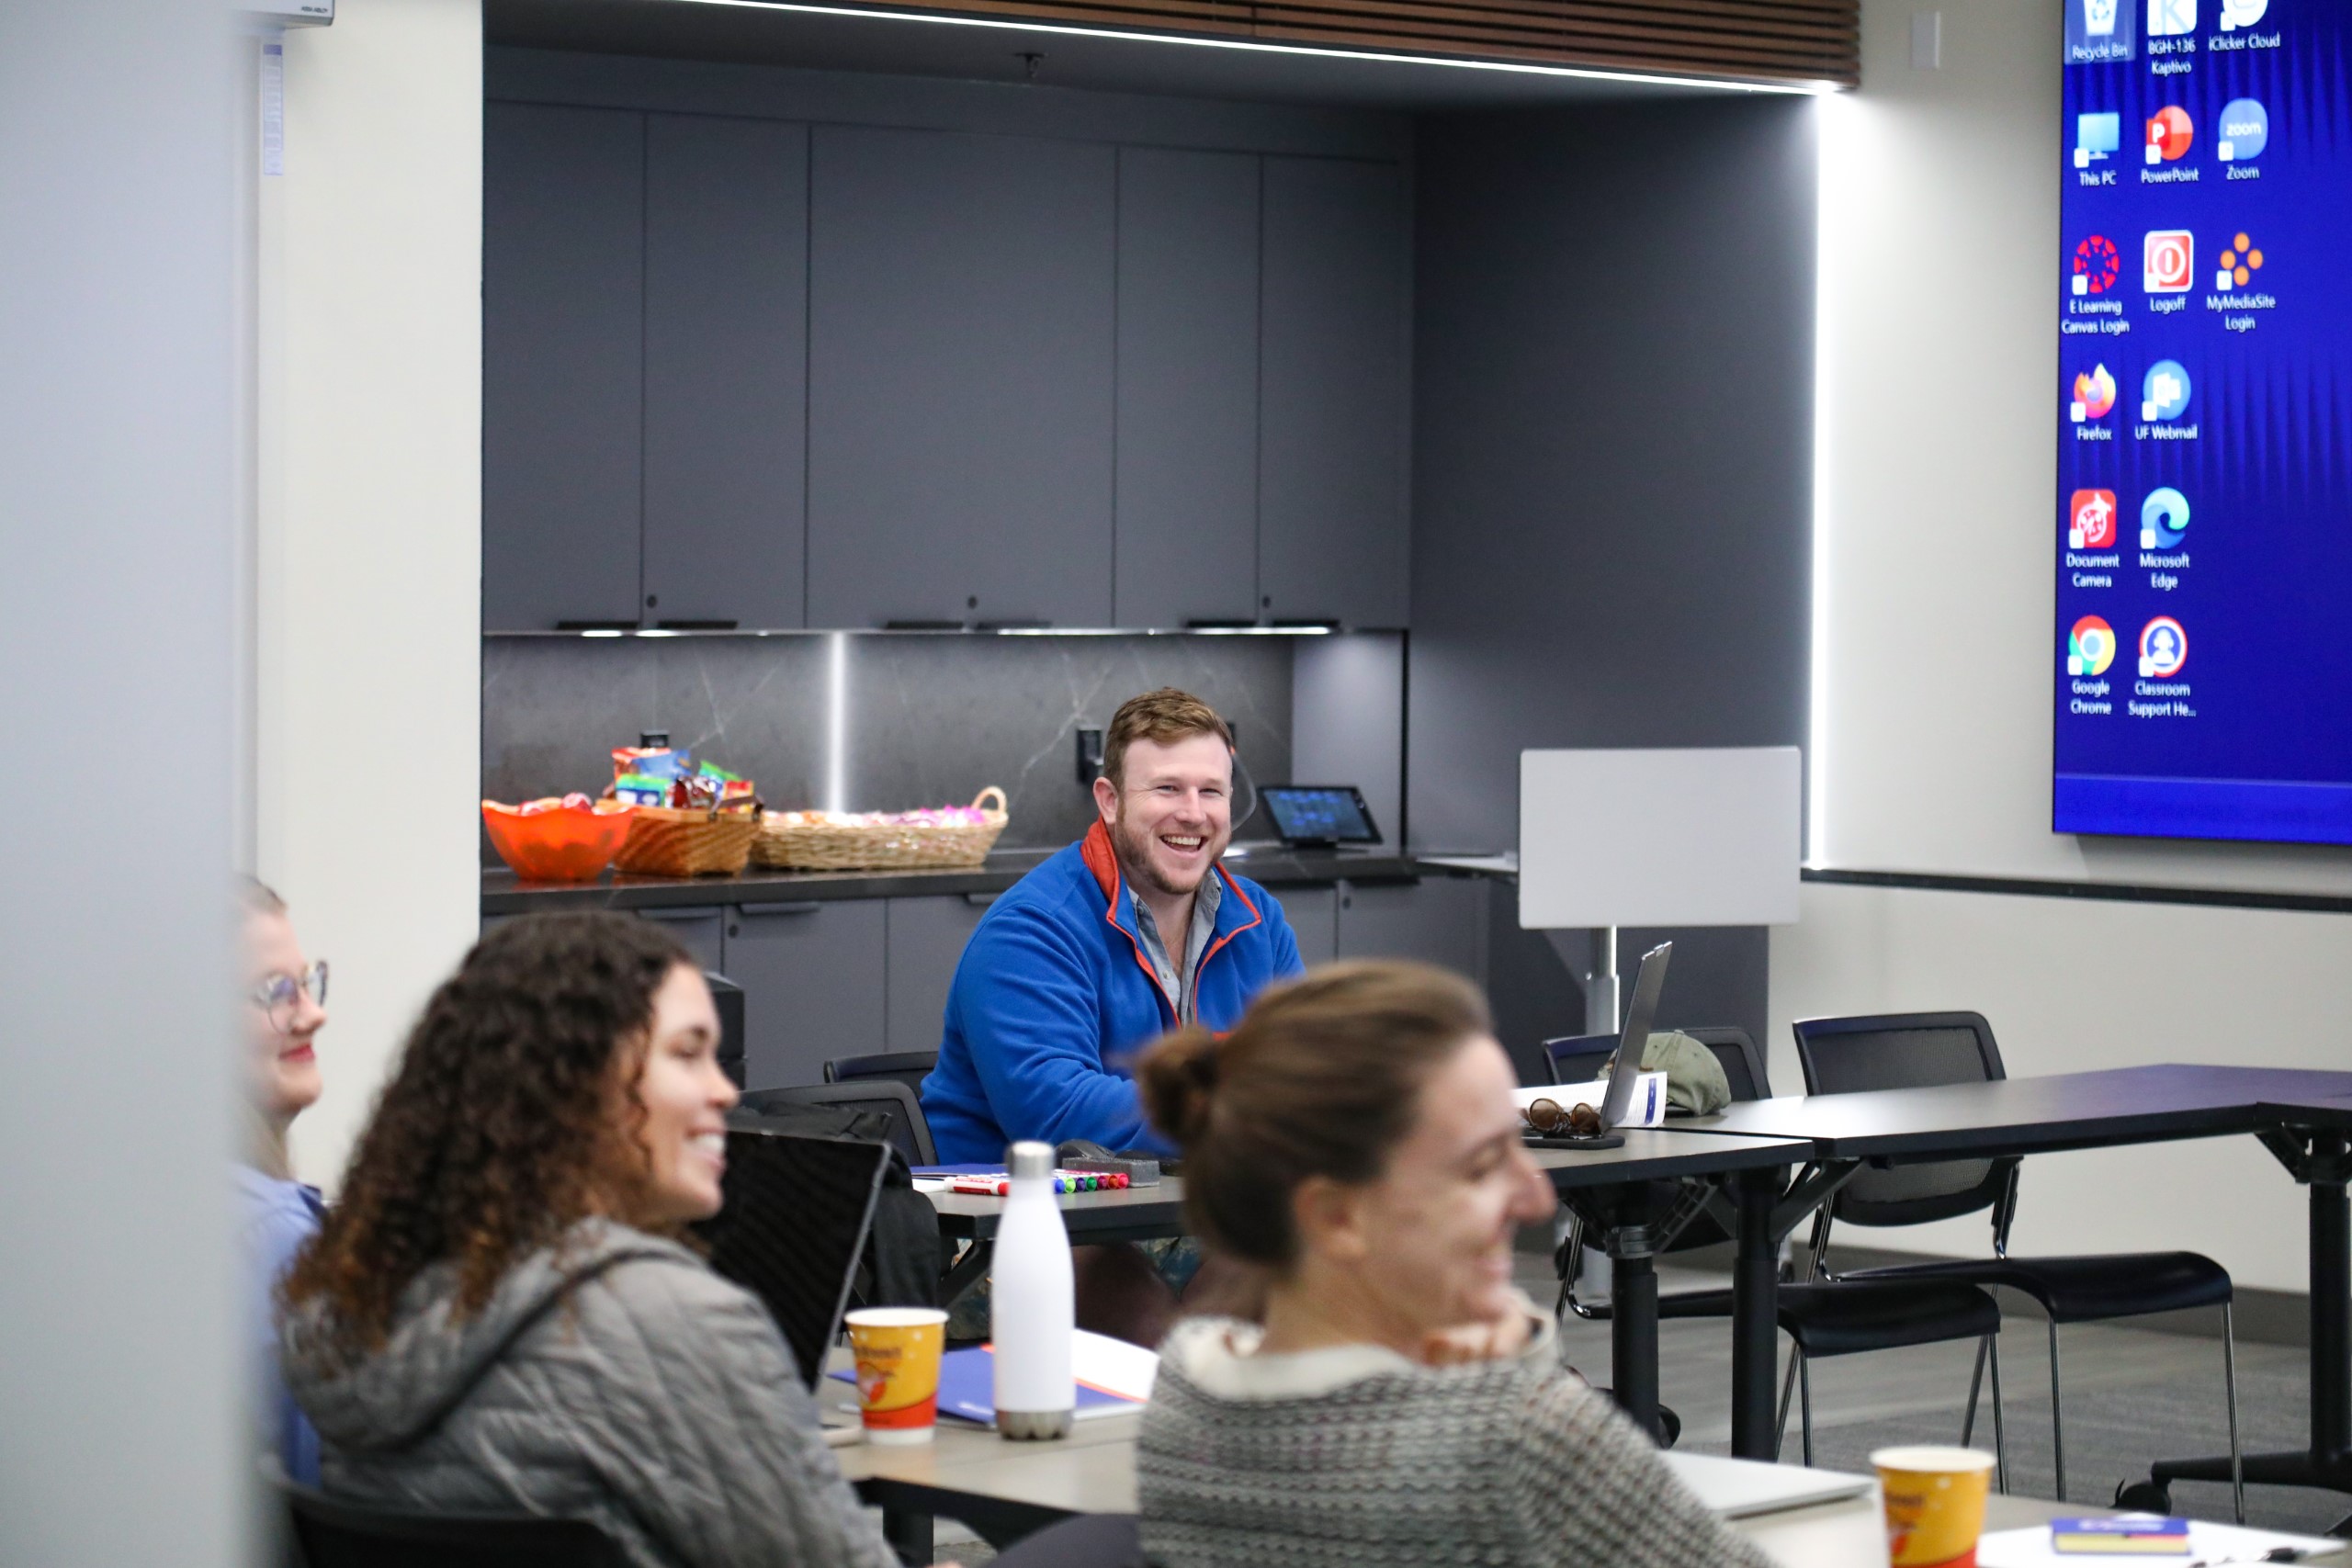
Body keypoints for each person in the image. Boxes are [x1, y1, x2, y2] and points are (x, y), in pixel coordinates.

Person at [279, 912, 910, 1568]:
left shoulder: (354, 1308)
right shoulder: (676, 1321)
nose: (724, 1091)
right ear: (575, 1085)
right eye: (687, 1054)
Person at [1132, 961, 1780, 1568]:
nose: (1536, 1197)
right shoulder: (1520, 1440)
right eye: (1480, 1166)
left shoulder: (1186, 1394)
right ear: (1336, 1218)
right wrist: (1521, 1381)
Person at [921, 687, 1303, 1162]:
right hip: (1026, 1201)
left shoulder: (1260, 921)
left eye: (1210, 791)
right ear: (1109, 801)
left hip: (1198, 1193)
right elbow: (1059, 1113)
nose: (1193, 813)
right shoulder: (1030, 930)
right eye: (1167, 788)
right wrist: (1254, 1112)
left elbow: (1310, 1070)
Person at [239, 877, 330, 1485]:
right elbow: (314, 1491)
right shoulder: (273, 1235)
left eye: (307, 981)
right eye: (276, 991)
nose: (314, 1013)